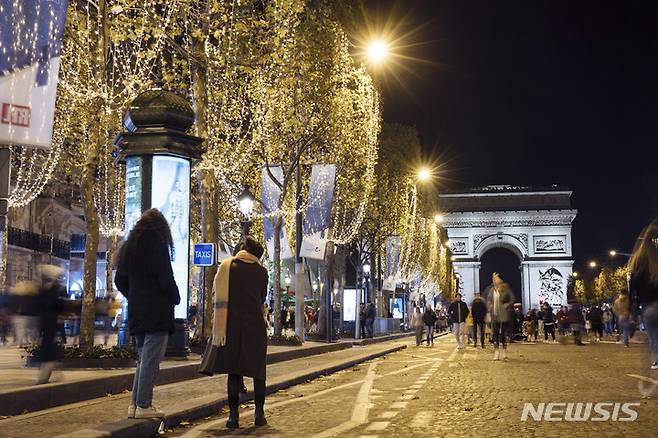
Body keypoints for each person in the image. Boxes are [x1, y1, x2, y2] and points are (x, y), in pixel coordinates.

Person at [115, 208, 180, 419]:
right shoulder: (158, 246)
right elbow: (165, 279)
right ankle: (143, 404)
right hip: (157, 311)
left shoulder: (128, 248)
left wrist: (134, 295)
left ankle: (134, 405)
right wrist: (175, 297)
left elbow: (119, 280)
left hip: (137, 311)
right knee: (151, 361)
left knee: (144, 359)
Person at [203, 236, 269, 428]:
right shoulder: (262, 272)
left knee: (234, 372)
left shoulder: (226, 267)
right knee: (258, 372)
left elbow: (217, 294)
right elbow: (262, 297)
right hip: (255, 326)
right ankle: (259, 414)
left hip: (231, 325)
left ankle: (233, 417)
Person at [629, 218, 658, 370]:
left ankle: (656, 359)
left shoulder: (639, 259)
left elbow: (633, 285)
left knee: (654, 336)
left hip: (649, 306)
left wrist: (633, 310)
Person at [35, 265, 67, 384]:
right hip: (52, 322)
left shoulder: (43, 290)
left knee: (49, 345)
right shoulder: (56, 290)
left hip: (46, 322)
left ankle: (46, 373)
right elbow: (60, 306)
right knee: (51, 346)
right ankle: (45, 375)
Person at [487, 273, 514, 360]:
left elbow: (512, 298)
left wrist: (507, 304)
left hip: (503, 315)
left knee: (502, 334)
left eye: (496, 278)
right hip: (494, 315)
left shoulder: (505, 289)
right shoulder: (492, 290)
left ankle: (504, 352)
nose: (495, 280)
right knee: (495, 334)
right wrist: (489, 305)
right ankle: (496, 352)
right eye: (494, 279)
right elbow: (488, 300)